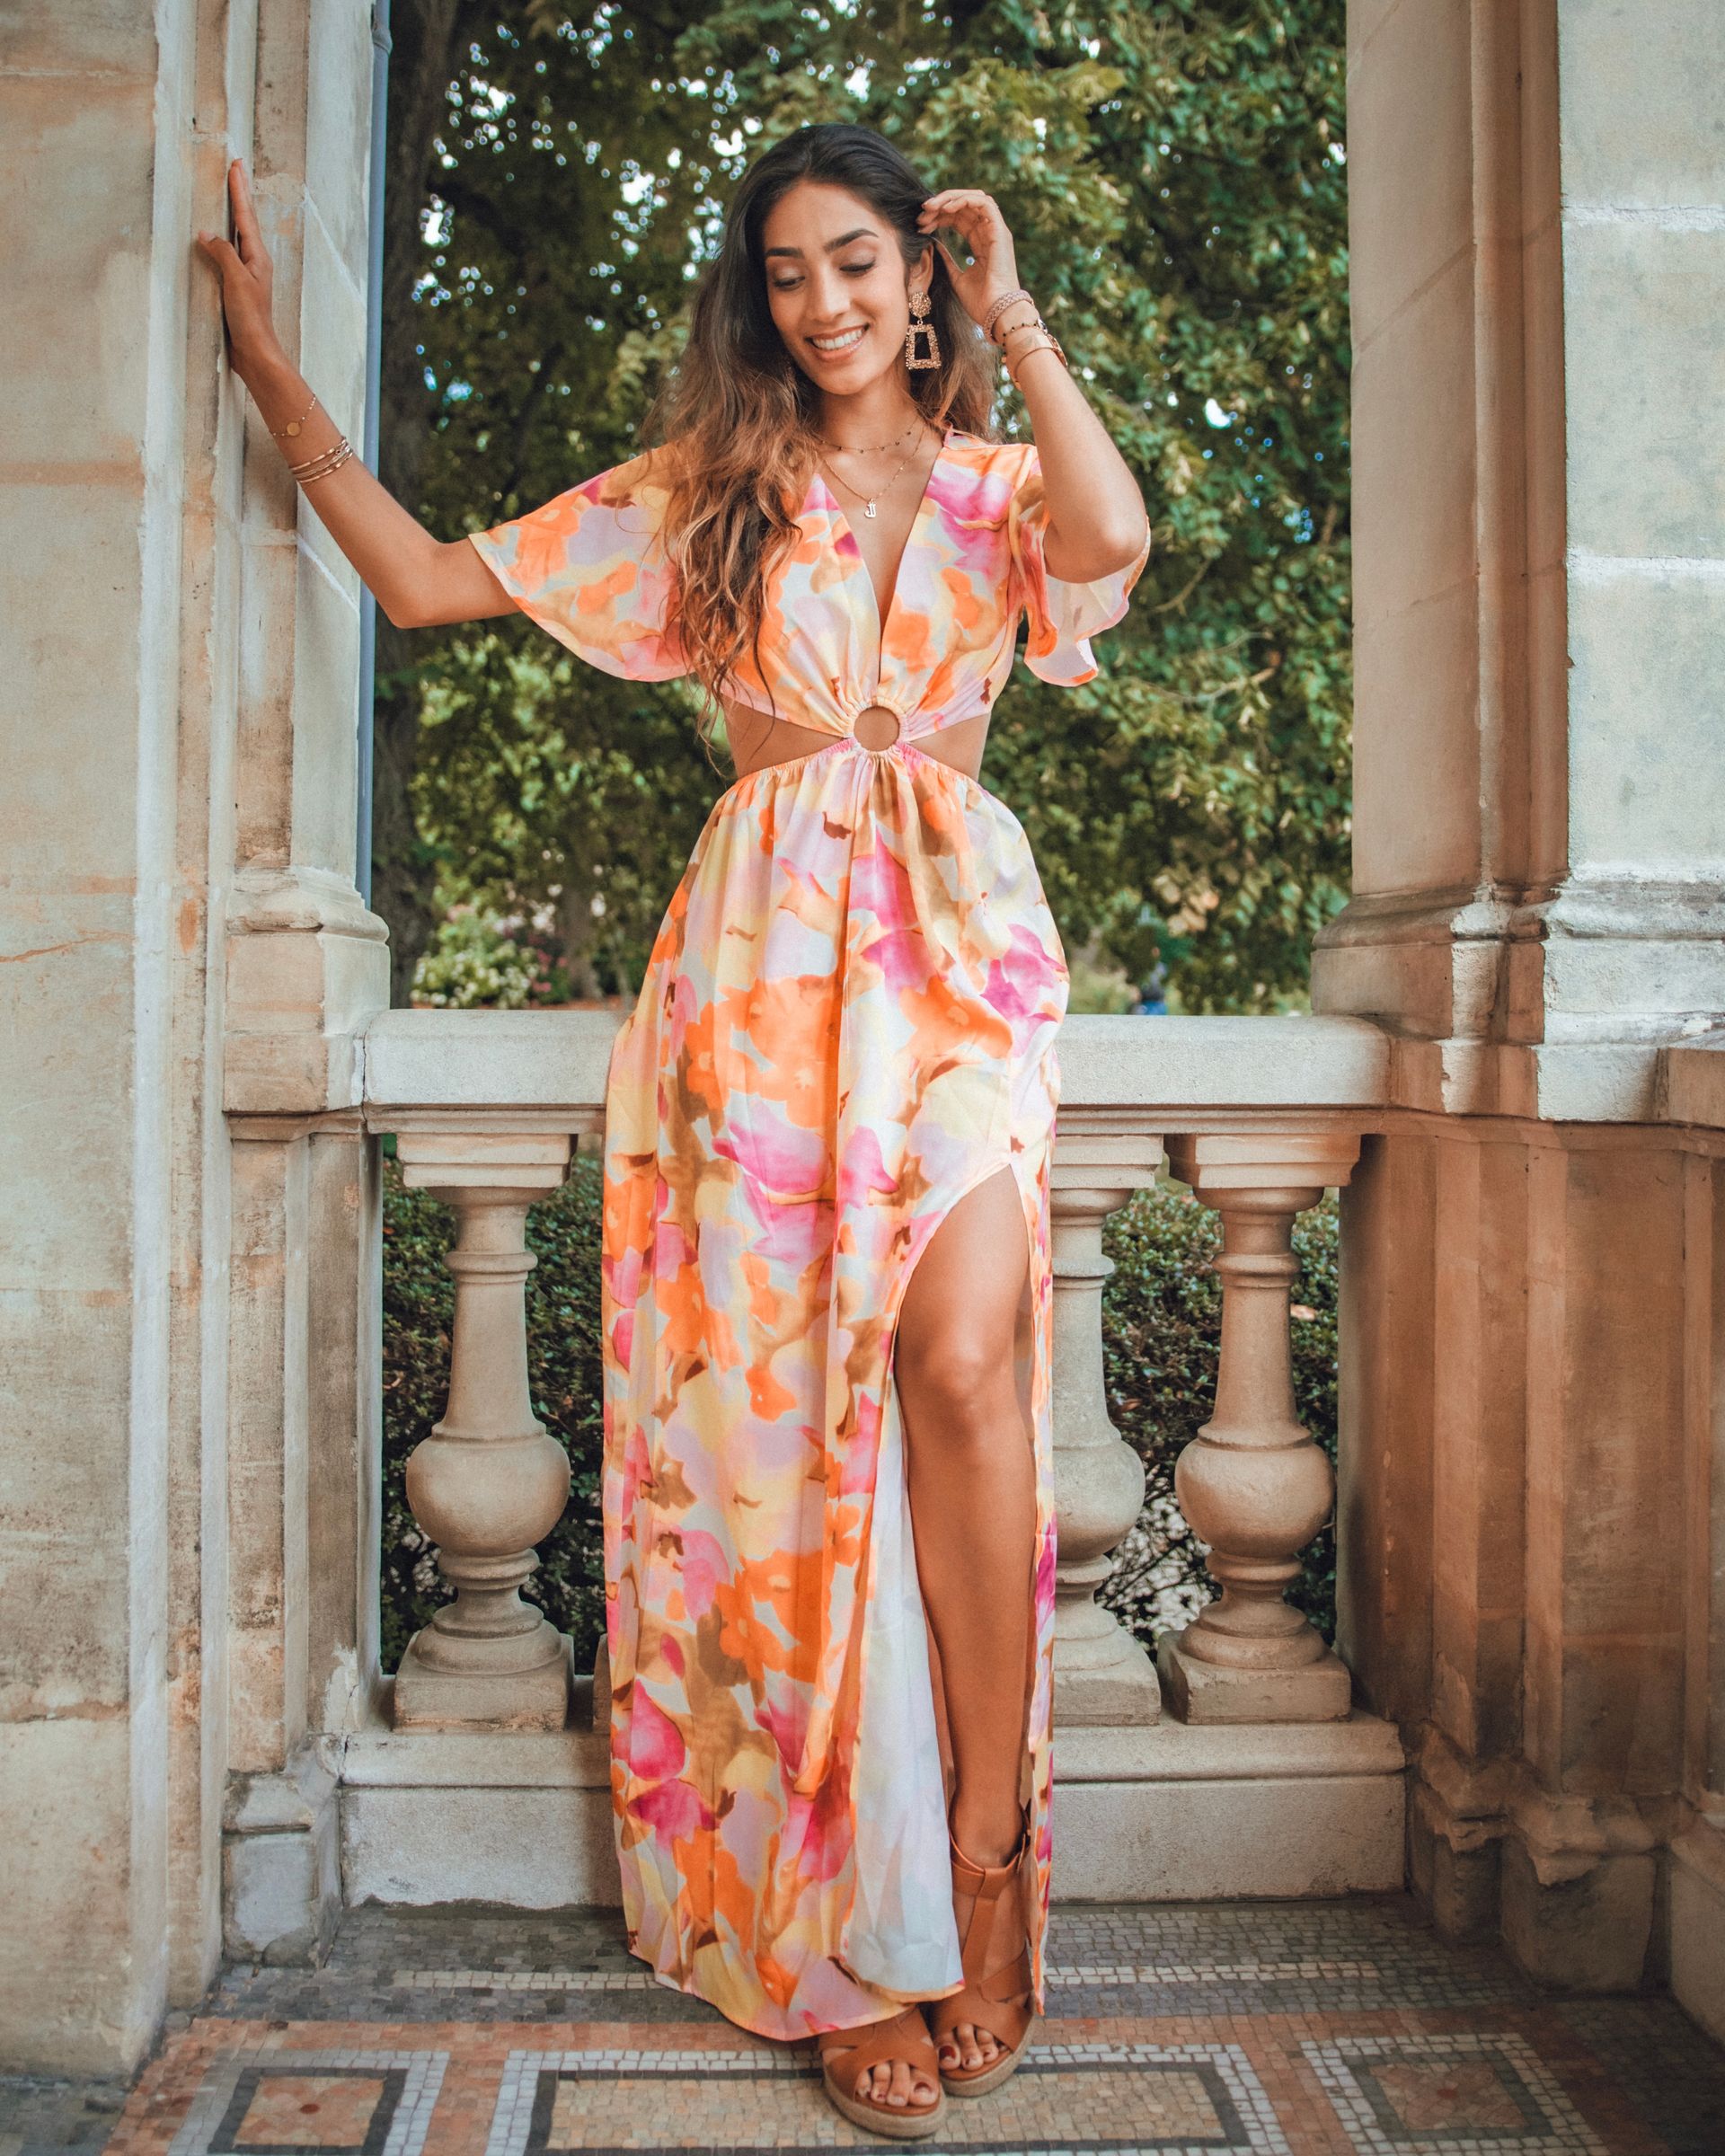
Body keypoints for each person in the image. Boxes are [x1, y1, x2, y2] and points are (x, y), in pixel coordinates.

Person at [199, 120, 1148, 2141]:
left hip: (960, 965)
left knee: (967, 1361)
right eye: (791, 272)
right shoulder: (709, 494)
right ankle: (843, 1931)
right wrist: (271, 364)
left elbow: (1117, 540)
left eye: (864, 264)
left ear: (921, 272)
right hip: (759, 982)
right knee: (788, 1442)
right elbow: (429, 581)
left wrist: (1020, 308)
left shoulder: (992, 494)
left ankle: (985, 1841)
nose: (826, 304)